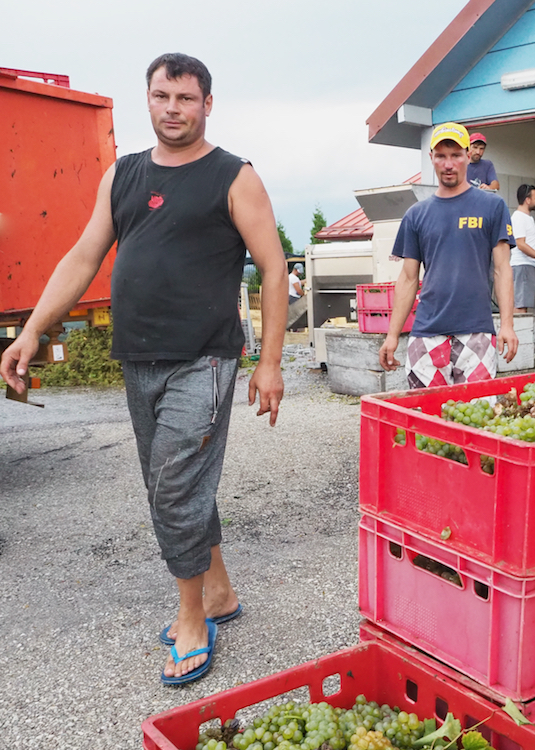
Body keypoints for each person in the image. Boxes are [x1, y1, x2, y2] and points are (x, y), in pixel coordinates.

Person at [0, 53, 287, 686]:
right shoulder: (122, 176)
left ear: (207, 104)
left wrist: (270, 362)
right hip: (138, 359)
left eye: (186, 98)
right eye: (162, 96)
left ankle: (191, 619)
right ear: (148, 100)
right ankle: (218, 593)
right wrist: (31, 331)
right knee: (173, 482)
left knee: (175, 487)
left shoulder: (233, 177)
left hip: (204, 358)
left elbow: (273, 267)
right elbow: (81, 257)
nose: (173, 109)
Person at [378, 122, 517, 387]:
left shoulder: (492, 206)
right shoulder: (416, 215)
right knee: (427, 419)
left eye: (455, 155)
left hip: (476, 330)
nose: (448, 163)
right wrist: (392, 335)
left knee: (477, 414)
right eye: (441, 156)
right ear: (431, 158)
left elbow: (502, 269)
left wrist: (507, 325)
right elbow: (408, 279)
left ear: (467, 156)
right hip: (426, 332)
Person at [510, 184, 535, 313]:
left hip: (527, 266)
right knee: (520, 306)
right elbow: (520, 244)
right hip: (523, 265)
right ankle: (518, 332)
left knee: (523, 303)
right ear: (527, 200)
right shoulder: (519, 217)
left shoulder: (526, 218)